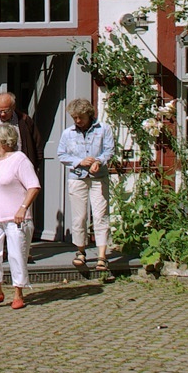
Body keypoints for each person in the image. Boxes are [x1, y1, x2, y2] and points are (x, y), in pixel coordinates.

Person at [0, 121, 40, 310]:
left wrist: (23, 208)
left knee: (16, 255)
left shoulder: (20, 160)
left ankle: (18, 292)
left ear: (4, 142)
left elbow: (33, 186)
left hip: (15, 218)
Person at [56, 98, 114, 273]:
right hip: (77, 178)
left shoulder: (104, 129)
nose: (78, 121)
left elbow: (109, 150)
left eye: (80, 117)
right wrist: (79, 161)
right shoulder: (68, 133)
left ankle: (102, 256)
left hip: (98, 178)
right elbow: (61, 154)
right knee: (79, 217)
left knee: (100, 215)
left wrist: (99, 161)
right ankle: (80, 251)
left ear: (89, 114)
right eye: (74, 118)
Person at [0, 92, 42, 170]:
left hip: (23, 168)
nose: (2, 114)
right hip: (0, 170)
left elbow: (38, 145)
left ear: (13, 107)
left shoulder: (25, 121)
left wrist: (35, 165)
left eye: (6, 111)